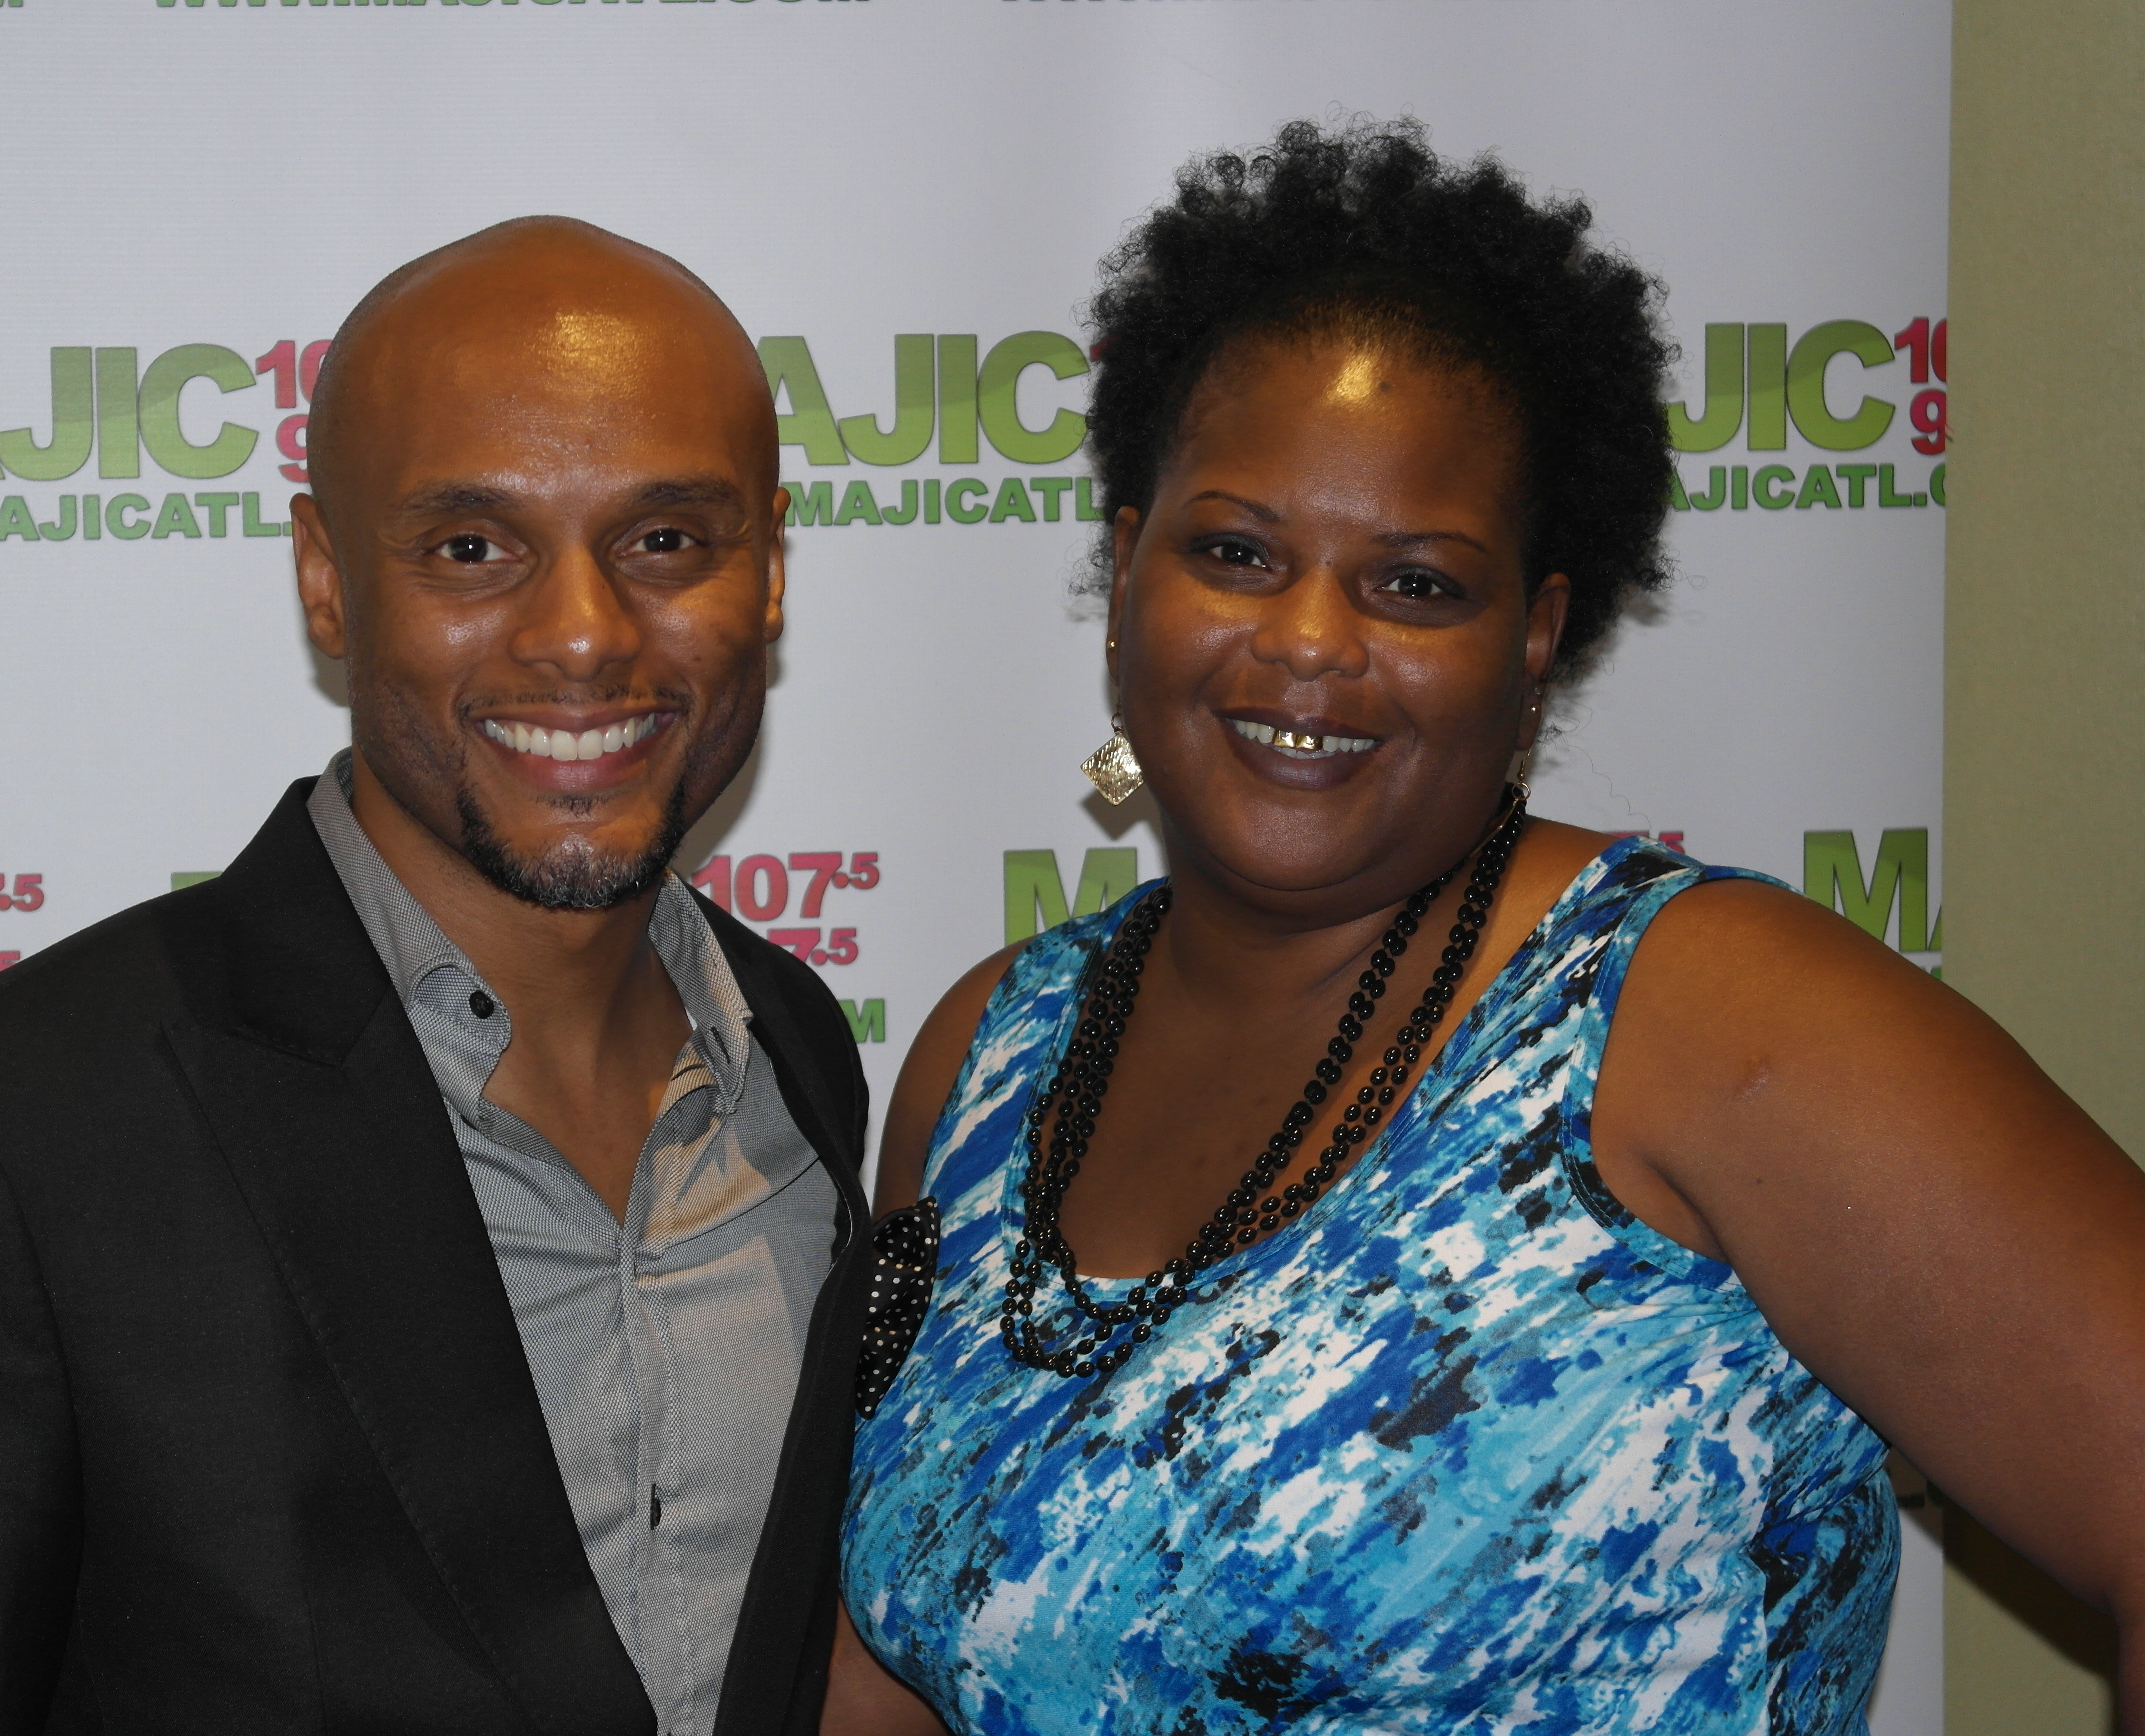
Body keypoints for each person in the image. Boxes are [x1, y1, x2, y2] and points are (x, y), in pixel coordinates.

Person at [827, 121, 2145, 1736]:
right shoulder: (992, 1056)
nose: (1309, 643)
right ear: (1125, 573)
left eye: (1416, 586)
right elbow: (888, 1666)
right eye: (1237, 553)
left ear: (1534, 635)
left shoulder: (1704, 1015)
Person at [0, 218, 872, 1736]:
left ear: (769, 569)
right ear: (328, 579)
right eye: (472, 548)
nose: (583, 635)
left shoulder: (802, 1061)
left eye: (665, 542)